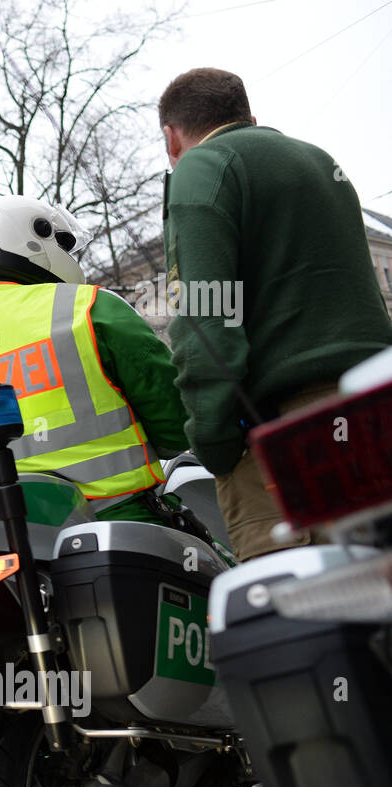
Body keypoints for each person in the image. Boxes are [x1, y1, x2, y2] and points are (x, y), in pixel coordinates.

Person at [158, 67, 392, 560]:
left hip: (293, 439)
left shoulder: (202, 168)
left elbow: (207, 322)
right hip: (376, 415)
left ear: (171, 137)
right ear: (249, 117)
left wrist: (215, 445)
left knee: (312, 618)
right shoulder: (316, 160)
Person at [0, 194, 190, 524]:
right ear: (37, 238)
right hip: (125, 523)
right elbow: (178, 425)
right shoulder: (88, 309)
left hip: (17, 550)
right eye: (64, 244)